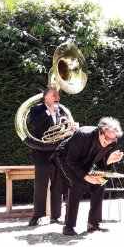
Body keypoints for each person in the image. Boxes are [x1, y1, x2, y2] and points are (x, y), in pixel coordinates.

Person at [53, 117, 124, 236]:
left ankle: (93, 224)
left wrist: (109, 160)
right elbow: (71, 160)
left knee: (99, 182)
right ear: (100, 131)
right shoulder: (83, 134)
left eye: (113, 139)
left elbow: (99, 161)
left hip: (84, 161)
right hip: (65, 157)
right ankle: (68, 226)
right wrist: (86, 176)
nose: (109, 141)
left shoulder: (112, 141)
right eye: (106, 138)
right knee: (76, 184)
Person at [28, 86, 75, 226]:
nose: (57, 98)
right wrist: (48, 112)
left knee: (58, 186)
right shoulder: (37, 109)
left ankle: (56, 216)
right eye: (54, 95)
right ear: (46, 97)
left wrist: (72, 128)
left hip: (58, 154)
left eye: (58, 95)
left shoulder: (61, 110)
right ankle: (37, 216)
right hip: (42, 154)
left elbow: (65, 128)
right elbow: (34, 125)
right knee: (40, 186)